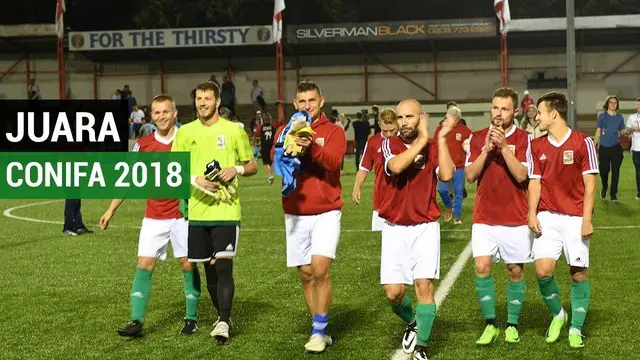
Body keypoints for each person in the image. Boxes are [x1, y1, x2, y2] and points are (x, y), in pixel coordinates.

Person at [101, 94, 201, 338]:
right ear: (151, 116)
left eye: (166, 112)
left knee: (187, 264)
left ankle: (191, 319)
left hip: (183, 216)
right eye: (156, 113)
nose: (161, 117)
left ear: (175, 113)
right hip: (154, 217)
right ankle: (136, 321)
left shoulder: (188, 139)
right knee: (144, 264)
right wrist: (110, 210)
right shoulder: (143, 145)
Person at [171, 81, 258, 344]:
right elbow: (173, 168)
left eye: (207, 98)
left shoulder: (233, 131)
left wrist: (237, 170)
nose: (202, 103)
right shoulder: (185, 132)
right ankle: (223, 315)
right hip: (198, 211)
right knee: (209, 270)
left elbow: (252, 164)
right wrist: (196, 180)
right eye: (199, 98)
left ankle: (223, 320)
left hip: (227, 210)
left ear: (218, 101)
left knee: (223, 265)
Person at [271, 80, 346, 353]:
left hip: (327, 211)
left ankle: (318, 330)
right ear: (295, 104)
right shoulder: (284, 129)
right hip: (294, 212)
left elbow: (334, 162)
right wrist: (290, 148)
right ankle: (321, 327)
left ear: (321, 101)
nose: (307, 106)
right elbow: (277, 162)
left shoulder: (333, 131)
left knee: (320, 269)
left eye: (311, 101)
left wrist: (311, 145)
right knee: (305, 274)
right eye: (302, 102)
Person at [379, 98, 455, 360]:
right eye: (400, 118)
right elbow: (397, 167)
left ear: (420, 117)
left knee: (424, 286)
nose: (403, 123)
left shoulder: (433, 146)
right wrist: (423, 140)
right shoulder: (389, 144)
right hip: (394, 228)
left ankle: (422, 345)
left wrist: (441, 139)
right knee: (393, 293)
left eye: (409, 117)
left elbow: (446, 175)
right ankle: (412, 322)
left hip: (424, 226)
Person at [528, 91, 598, 349]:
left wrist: (586, 219)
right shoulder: (536, 146)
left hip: (575, 216)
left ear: (553, 114)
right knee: (542, 270)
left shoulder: (582, 142)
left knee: (578, 273)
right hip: (547, 214)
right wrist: (531, 213)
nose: (537, 117)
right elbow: (535, 182)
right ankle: (559, 314)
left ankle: (576, 328)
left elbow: (589, 185)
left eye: (540, 112)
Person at [464, 87, 533, 345]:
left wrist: (503, 148)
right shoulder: (477, 137)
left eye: (504, 109)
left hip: (515, 216)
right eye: (495, 108)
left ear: (514, 112)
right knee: (482, 267)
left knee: (515, 271)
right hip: (484, 217)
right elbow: (469, 176)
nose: (498, 114)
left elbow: (522, 175)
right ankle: (490, 323)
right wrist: (485, 150)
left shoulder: (525, 139)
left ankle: (512, 324)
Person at [351, 108, 398, 231]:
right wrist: (356, 187)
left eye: (392, 130)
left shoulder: (406, 139)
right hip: (381, 199)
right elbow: (363, 168)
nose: (388, 134)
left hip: (402, 200)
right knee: (382, 243)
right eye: (385, 130)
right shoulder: (373, 142)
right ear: (379, 125)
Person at [433, 106, 472, 224]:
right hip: (444, 167)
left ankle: (456, 217)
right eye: (450, 117)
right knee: (442, 190)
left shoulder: (466, 131)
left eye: (455, 118)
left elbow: (472, 146)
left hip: (459, 167)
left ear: (458, 118)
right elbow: (435, 147)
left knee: (458, 193)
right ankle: (449, 206)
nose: (452, 120)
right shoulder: (440, 130)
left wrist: (467, 148)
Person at [594, 95, 625, 202]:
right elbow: (598, 131)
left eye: (615, 103)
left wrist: (629, 130)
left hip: (616, 148)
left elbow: (622, 131)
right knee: (604, 171)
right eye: (611, 102)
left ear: (617, 105)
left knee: (616, 172)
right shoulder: (602, 117)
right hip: (604, 148)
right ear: (607, 104)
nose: (613, 104)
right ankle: (604, 186)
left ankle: (613, 194)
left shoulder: (620, 117)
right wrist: (594, 144)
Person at [623, 97, 640, 199]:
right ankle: (639, 191)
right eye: (637, 104)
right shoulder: (631, 117)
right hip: (636, 149)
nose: (638, 106)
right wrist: (632, 129)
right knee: (638, 171)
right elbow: (626, 132)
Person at [254, 113, 277, 184]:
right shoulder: (273, 127)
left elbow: (255, 134)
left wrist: (254, 144)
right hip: (272, 146)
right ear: (270, 119)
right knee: (271, 162)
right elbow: (276, 136)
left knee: (265, 163)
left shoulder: (260, 127)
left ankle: (270, 176)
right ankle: (271, 175)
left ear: (263, 119)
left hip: (264, 146)